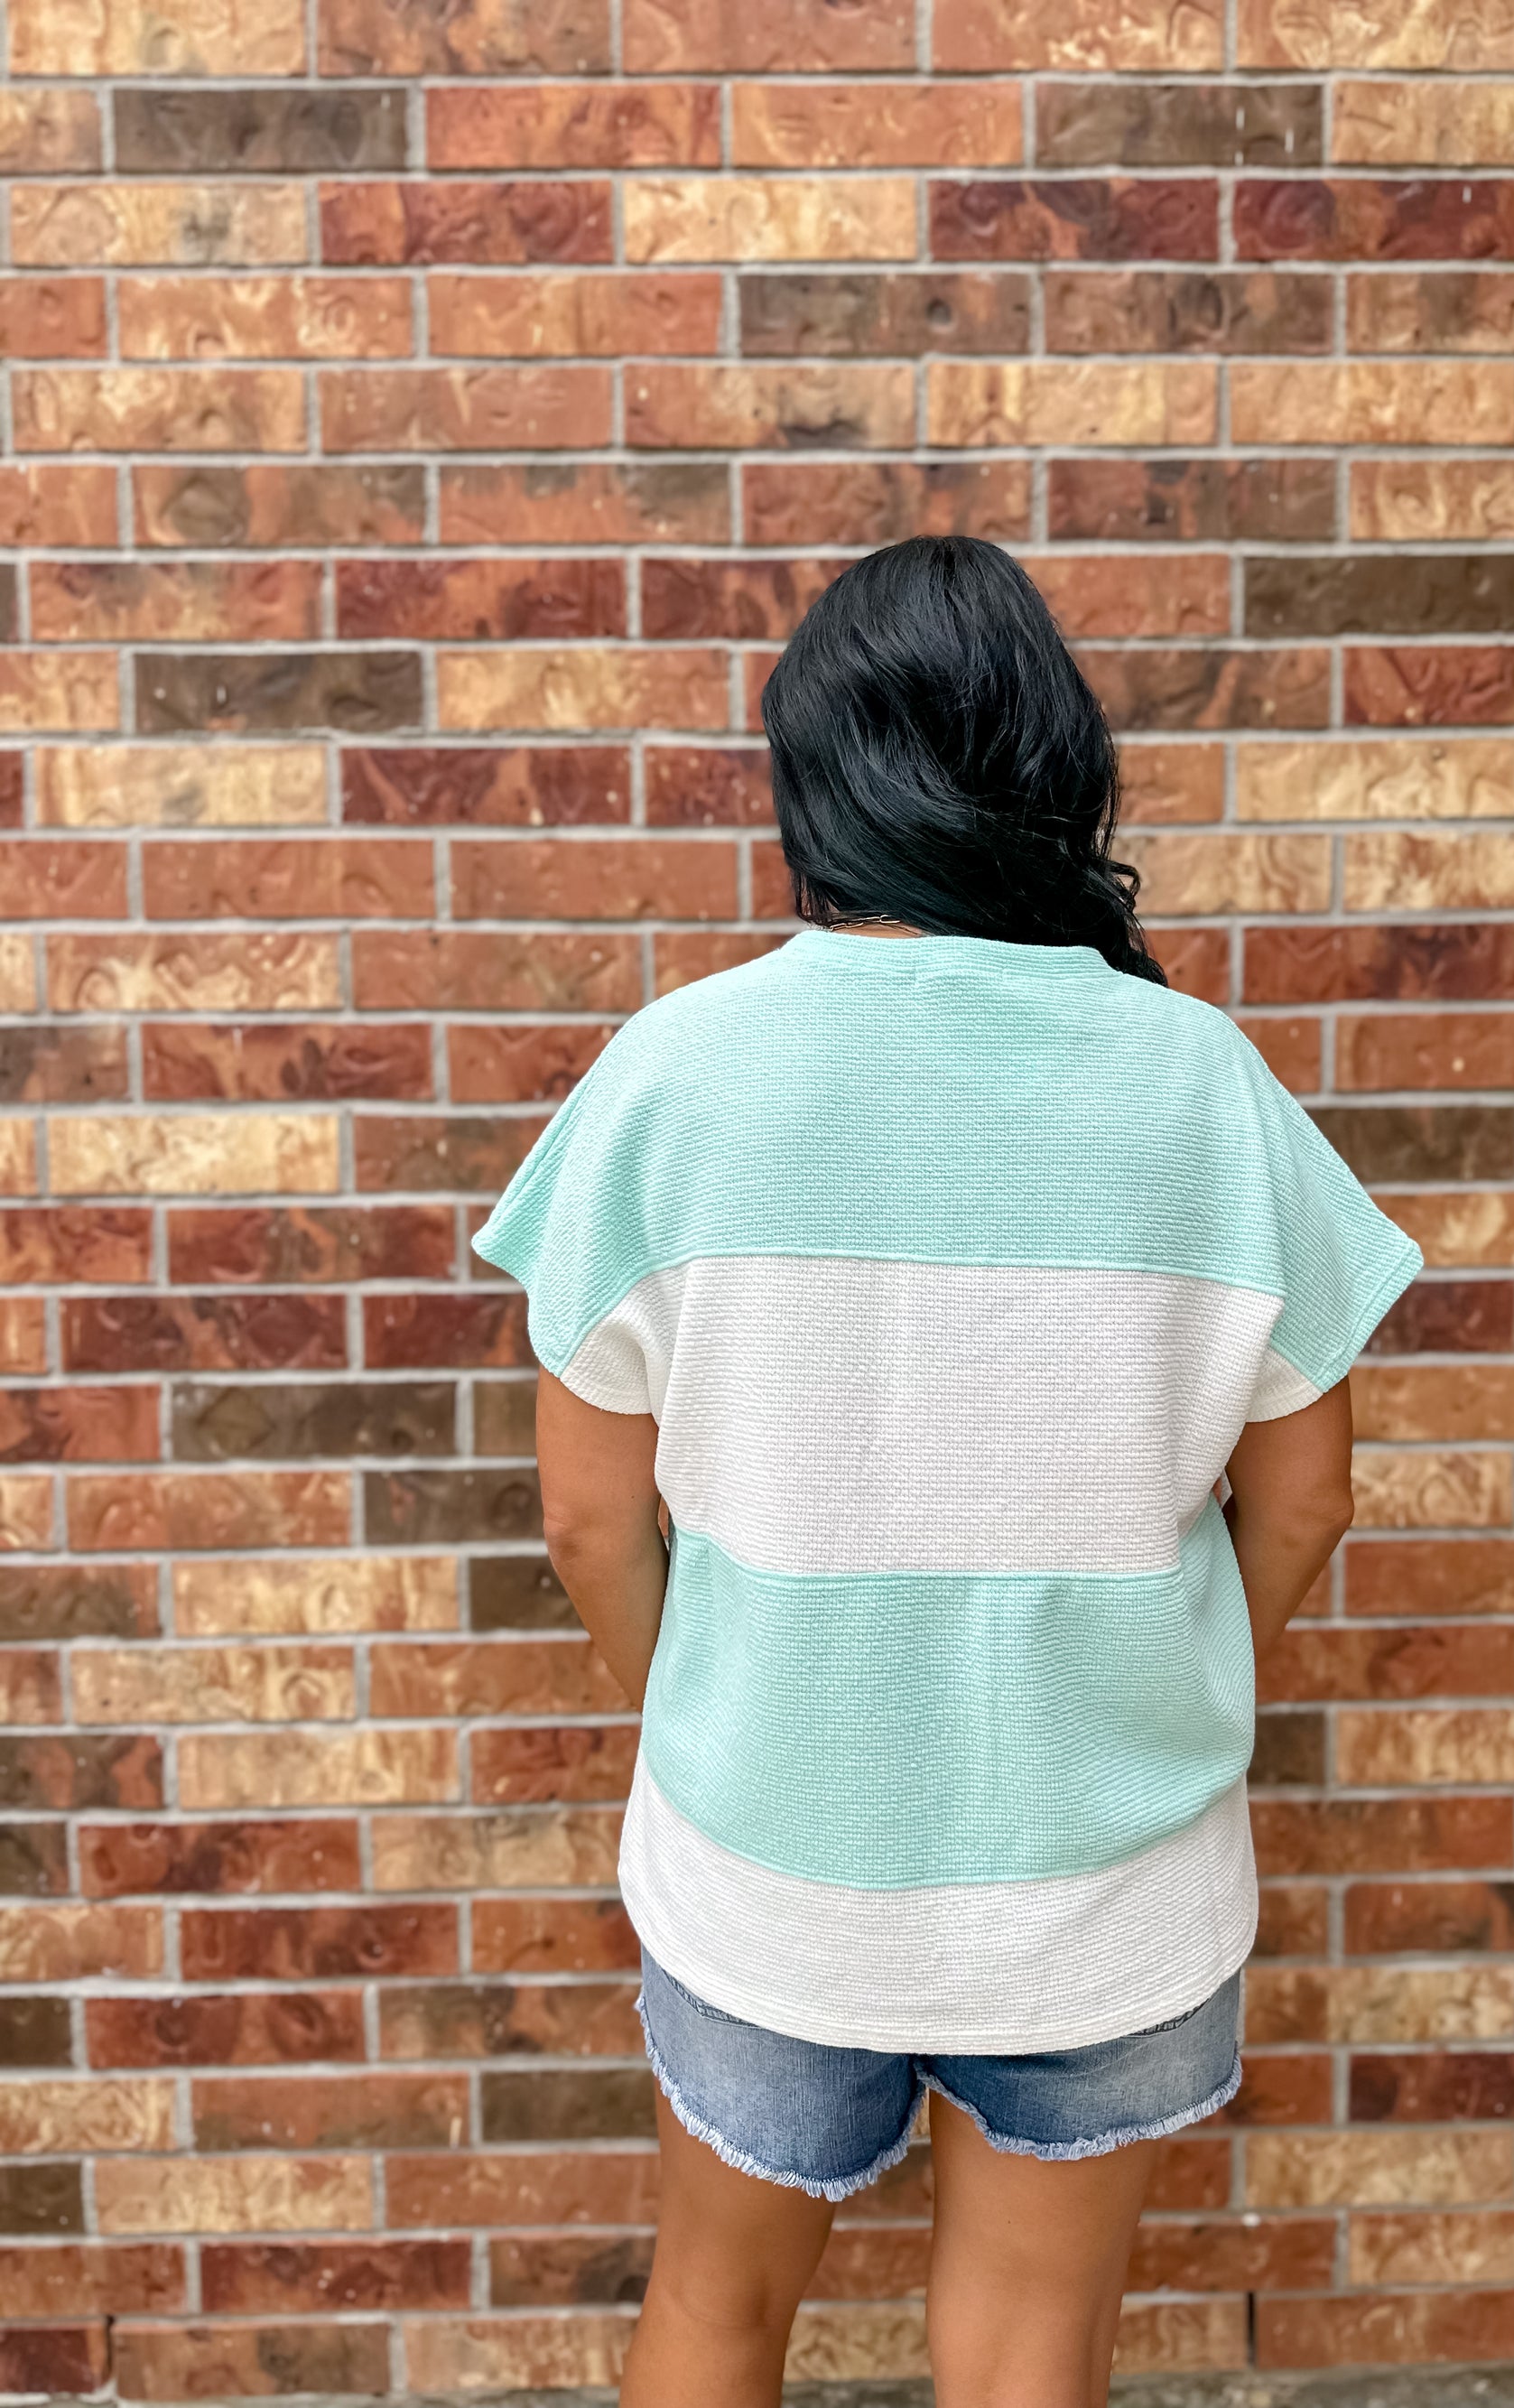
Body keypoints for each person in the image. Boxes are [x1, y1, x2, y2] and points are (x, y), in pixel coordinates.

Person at [474, 536, 1421, 2408]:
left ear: (815, 779)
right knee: (1028, 2348)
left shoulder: (672, 1074)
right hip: (1106, 1883)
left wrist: (718, 1710)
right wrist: (1160, 1678)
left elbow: (587, 1516)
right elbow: (1307, 1496)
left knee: (715, 2311)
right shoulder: (1201, 1081)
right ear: (1053, 765)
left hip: (766, 1862)